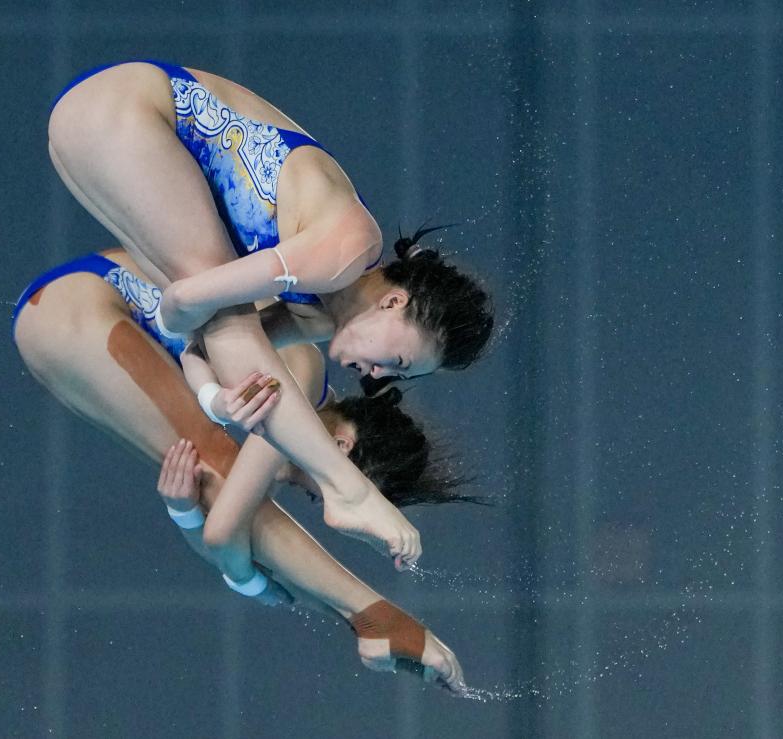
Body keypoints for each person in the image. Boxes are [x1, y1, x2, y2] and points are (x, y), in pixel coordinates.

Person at [46, 59, 494, 570]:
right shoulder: (349, 247)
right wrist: (182, 317)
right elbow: (187, 303)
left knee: (226, 320)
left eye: (392, 374)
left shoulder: (316, 317)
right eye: (397, 360)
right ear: (395, 302)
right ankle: (348, 489)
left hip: (90, 134)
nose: (376, 374)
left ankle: (344, 488)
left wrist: (217, 400)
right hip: (123, 110)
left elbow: (196, 349)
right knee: (227, 315)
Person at [12, 247, 479, 691]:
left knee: (218, 485)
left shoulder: (282, 422)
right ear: (340, 446)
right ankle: (375, 617)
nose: (309, 495)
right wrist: (250, 580)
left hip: (68, 317)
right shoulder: (302, 374)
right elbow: (222, 535)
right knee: (220, 472)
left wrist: (185, 514)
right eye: (318, 493)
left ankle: (368, 620)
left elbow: (220, 527)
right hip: (85, 302)